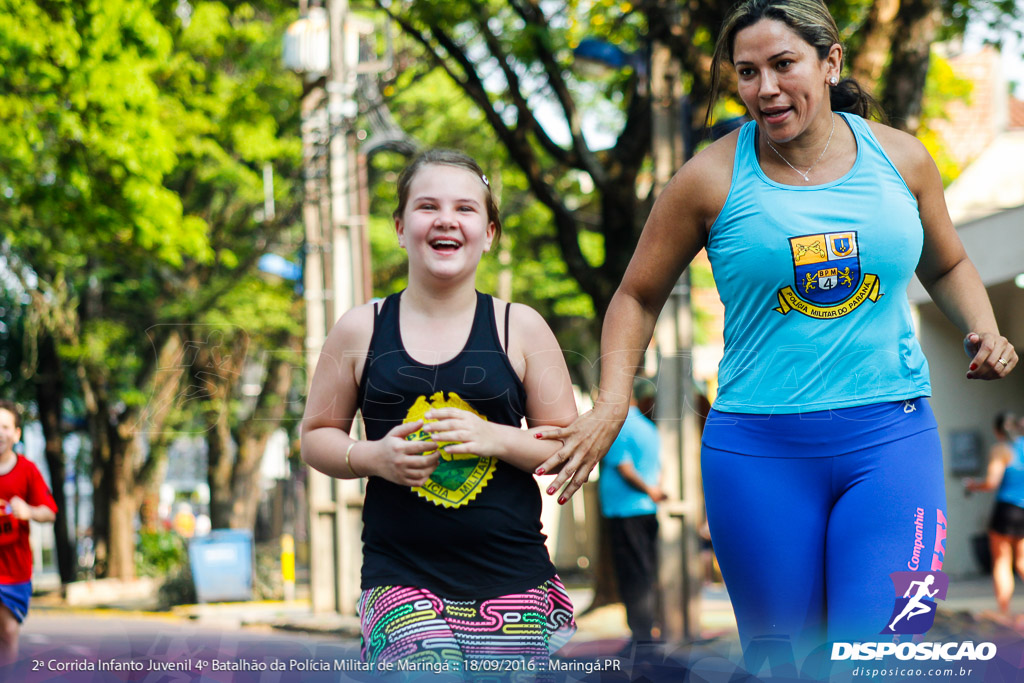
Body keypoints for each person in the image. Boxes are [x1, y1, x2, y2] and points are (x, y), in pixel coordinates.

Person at [535, 0, 1018, 667]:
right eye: (746, 71)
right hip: (758, 451)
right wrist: (613, 401)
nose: (765, 88)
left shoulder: (902, 160)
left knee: (881, 655)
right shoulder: (710, 177)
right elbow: (636, 294)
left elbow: (950, 261)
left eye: (783, 64)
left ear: (830, 62)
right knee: (781, 663)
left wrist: (984, 329)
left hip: (891, 438)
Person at [301, 149, 578, 675]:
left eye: (466, 209)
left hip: (512, 576)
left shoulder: (521, 327)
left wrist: (491, 437)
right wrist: (372, 457)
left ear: (489, 233)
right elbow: (316, 435)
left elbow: (565, 446)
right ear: (402, 228)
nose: (446, 219)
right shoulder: (361, 328)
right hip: (399, 574)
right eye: (428, 206)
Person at [599, 376, 666, 648]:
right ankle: (645, 633)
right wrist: (655, 490)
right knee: (644, 572)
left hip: (626, 513)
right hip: (645, 512)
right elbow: (660, 467)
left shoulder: (620, 427)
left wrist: (649, 490)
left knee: (633, 576)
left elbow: (625, 469)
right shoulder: (648, 428)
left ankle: (641, 638)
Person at [0, 400, 57, 665]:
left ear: (16, 433)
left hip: (14, 571)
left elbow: (50, 512)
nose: (0, 433)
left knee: (9, 633)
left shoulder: (27, 471)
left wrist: (29, 511)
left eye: (6, 427)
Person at [965, 412, 1024, 616]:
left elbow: (991, 482)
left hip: (1007, 509)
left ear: (997, 431)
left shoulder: (1001, 449)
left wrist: (973, 485)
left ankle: (1005, 612)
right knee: (1022, 561)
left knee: (1001, 561)